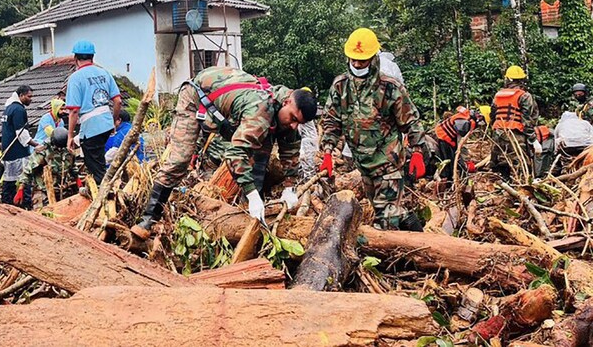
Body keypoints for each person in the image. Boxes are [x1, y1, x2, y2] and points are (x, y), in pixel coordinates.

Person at [130, 66, 318, 240]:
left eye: (298, 123)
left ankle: (250, 219)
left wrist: (289, 187)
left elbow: (290, 149)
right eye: (293, 118)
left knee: (260, 159)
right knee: (181, 159)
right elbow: (235, 153)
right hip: (197, 95)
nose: (293, 125)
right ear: (286, 102)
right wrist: (253, 195)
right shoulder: (260, 111)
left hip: (232, 103)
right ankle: (148, 218)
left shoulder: (286, 113)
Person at [319, 28, 427, 231]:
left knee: (384, 223)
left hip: (388, 162)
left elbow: (411, 121)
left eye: (363, 60)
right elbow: (332, 121)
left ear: (374, 58)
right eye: (354, 60)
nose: (358, 65)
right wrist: (327, 151)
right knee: (384, 209)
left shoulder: (389, 87)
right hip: (364, 164)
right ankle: (413, 226)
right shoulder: (340, 87)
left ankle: (395, 258)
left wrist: (418, 152)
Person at [65, 40, 122, 185]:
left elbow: (74, 111)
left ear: (75, 58)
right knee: (99, 160)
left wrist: (70, 135)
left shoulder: (75, 78)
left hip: (91, 128)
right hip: (106, 124)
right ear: (92, 57)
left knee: (96, 169)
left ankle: (104, 194)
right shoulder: (104, 73)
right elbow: (118, 101)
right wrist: (114, 121)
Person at [490, 65, 539, 180]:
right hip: (515, 134)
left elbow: (493, 116)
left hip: (498, 133)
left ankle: (504, 185)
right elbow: (526, 121)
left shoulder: (498, 95)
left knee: (501, 163)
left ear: (508, 79)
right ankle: (522, 187)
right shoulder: (525, 96)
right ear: (522, 80)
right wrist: (533, 139)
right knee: (522, 164)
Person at [1, 85, 44, 208]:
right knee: (23, 180)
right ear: (21, 96)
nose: (31, 99)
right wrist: (36, 145)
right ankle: (25, 207)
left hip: (8, 151)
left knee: (9, 180)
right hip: (18, 152)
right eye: (29, 96)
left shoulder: (8, 108)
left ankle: (6, 204)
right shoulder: (19, 110)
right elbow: (21, 133)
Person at [14, 127, 79, 207]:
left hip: (62, 190)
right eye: (58, 147)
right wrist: (21, 188)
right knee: (42, 213)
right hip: (43, 191)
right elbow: (28, 170)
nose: (60, 149)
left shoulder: (68, 153)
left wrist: (77, 180)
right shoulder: (43, 152)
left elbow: (72, 168)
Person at [431, 106, 485, 180]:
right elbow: (460, 144)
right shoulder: (465, 123)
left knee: (452, 159)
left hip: (447, 137)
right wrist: (466, 161)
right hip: (443, 137)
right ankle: (448, 180)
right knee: (449, 161)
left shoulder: (466, 117)